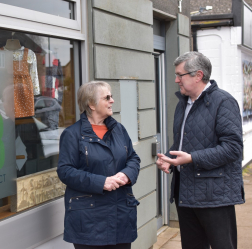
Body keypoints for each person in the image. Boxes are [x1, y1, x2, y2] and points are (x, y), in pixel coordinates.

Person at [156, 52, 245, 249]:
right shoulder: (183, 103)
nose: (176, 80)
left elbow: (233, 148)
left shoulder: (223, 102)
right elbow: (184, 144)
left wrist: (191, 158)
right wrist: (170, 159)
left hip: (215, 195)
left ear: (198, 75)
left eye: (181, 75)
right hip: (185, 193)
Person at [57, 81, 140, 249]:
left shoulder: (119, 130)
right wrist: (101, 182)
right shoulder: (72, 134)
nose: (112, 101)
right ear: (91, 104)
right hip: (89, 221)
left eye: (111, 96)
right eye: (107, 97)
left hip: (121, 217)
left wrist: (127, 174)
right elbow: (65, 171)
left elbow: (133, 158)